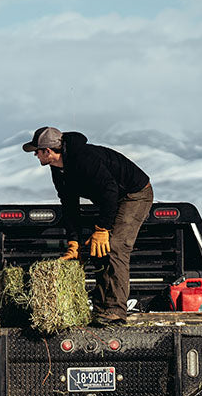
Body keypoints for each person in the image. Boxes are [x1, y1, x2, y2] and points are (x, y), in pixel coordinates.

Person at [23, 126, 153, 326]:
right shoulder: (58, 169)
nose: (35, 155)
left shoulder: (84, 159)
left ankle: (116, 311)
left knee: (116, 247)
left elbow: (109, 191)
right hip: (111, 199)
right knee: (97, 249)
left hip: (134, 194)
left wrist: (102, 229)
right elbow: (69, 205)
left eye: (36, 151)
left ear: (47, 151)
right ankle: (101, 309)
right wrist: (73, 242)